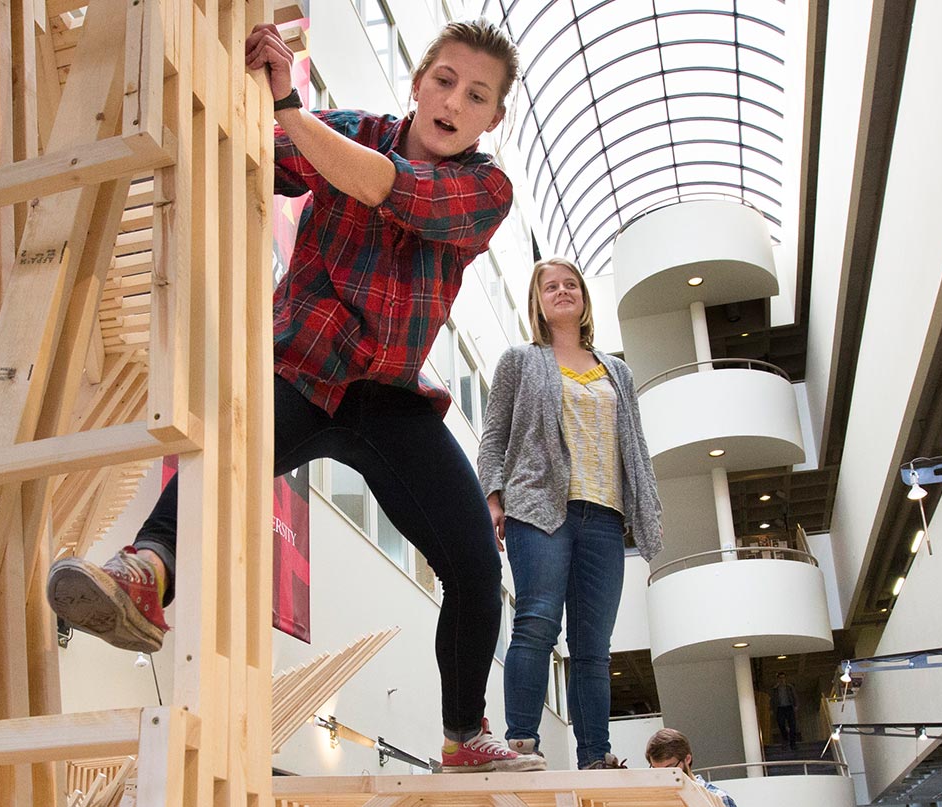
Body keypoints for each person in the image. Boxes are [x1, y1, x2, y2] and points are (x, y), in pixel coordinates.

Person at [46, 19, 538, 773]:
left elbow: (383, 185)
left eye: (475, 96)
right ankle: (145, 573)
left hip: (390, 395)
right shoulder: (349, 128)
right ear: (418, 82)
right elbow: (256, 149)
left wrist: (289, 106)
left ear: (491, 119)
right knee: (221, 458)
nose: (453, 103)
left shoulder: (484, 187)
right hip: (303, 366)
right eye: (443, 80)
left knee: (474, 564)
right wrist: (243, 88)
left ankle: (463, 733)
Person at [477, 258, 663, 770]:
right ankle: (520, 744)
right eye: (550, 286)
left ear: (583, 298)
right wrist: (493, 498)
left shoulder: (616, 370)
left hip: (604, 515)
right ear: (537, 302)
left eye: (571, 284)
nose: (562, 291)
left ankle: (596, 757)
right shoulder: (520, 360)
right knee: (536, 623)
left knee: (593, 647)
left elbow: (637, 447)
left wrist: (646, 509)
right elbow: (494, 436)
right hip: (538, 509)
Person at [645, 728, 739, 807]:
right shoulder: (651, 802)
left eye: (670, 769)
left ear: (687, 759)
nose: (664, 778)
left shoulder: (719, 799)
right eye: (657, 771)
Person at [769, 672, 800, 748]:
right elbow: (772, 699)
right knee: (781, 724)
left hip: (789, 707)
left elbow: (794, 696)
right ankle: (785, 738)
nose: (782, 680)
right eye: (780, 678)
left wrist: (796, 705)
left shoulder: (789, 687)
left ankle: (793, 743)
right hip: (780, 708)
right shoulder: (775, 689)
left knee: (792, 725)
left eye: (783, 678)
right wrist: (771, 709)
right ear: (778, 679)